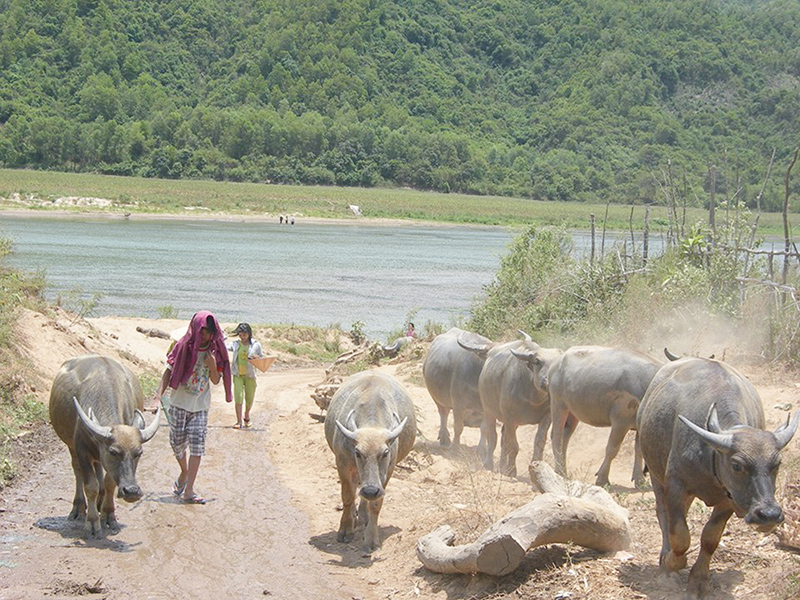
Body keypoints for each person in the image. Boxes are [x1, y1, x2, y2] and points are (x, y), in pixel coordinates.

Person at [157, 311, 232, 504]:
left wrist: (212, 365)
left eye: (209, 332)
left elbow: (215, 380)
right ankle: (184, 471)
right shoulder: (183, 346)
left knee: (197, 446)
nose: (205, 336)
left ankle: (189, 490)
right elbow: (168, 371)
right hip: (179, 404)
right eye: (203, 331)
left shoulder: (214, 351)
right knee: (177, 443)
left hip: (200, 406)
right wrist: (158, 397)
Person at [226, 322, 264, 429]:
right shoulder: (236, 344)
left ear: (249, 334)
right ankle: (238, 421)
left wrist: (256, 358)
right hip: (238, 375)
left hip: (250, 376)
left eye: (244, 335)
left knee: (249, 399)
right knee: (238, 397)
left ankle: (246, 415)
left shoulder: (256, 345)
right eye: (240, 335)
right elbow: (225, 347)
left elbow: (261, 358)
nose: (242, 337)